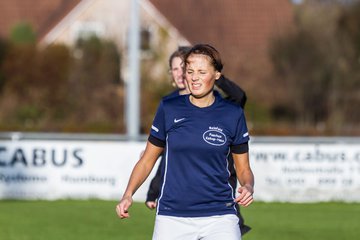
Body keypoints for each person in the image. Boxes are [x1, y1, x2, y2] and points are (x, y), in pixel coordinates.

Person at [116, 43, 254, 240]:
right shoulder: (168, 108)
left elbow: (243, 169)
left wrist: (248, 186)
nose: (194, 77)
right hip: (172, 216)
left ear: (216, 75)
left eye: (201, 72)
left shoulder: (233, 114)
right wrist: (128, 193)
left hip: (220, 216)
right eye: (190, 71)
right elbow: (147, 160)